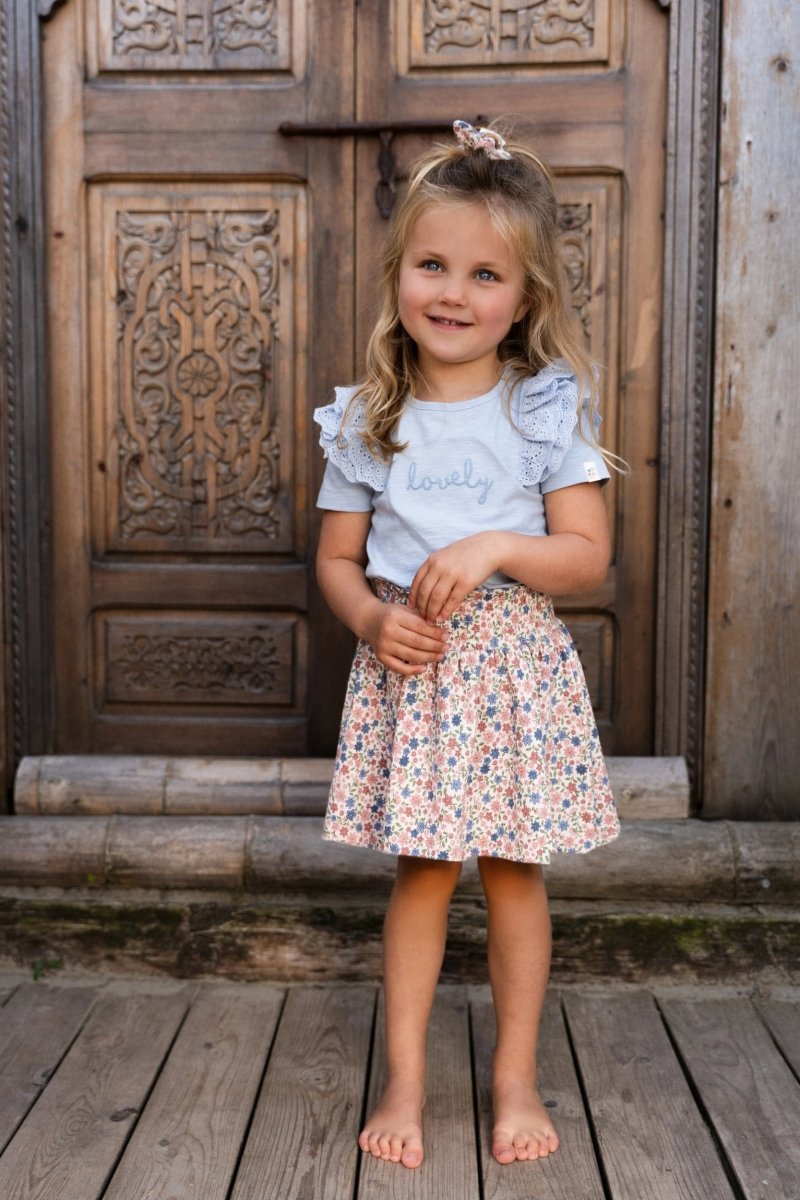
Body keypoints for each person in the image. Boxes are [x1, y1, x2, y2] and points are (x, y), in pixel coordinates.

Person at [313, 120, 620, 1170]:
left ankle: (514, 1077)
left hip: (513, 675)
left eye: (485, 274)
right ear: (399, 272)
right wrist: (369, 619)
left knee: (514, 873)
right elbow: (336, 560)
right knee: (424, 872)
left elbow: (586, 556)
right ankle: (404, 1077)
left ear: (523, 300)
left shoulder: (540, 411)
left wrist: (497, 545)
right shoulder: (369, 417)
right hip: (417, 668)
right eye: (432, 265)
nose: (453, 292)